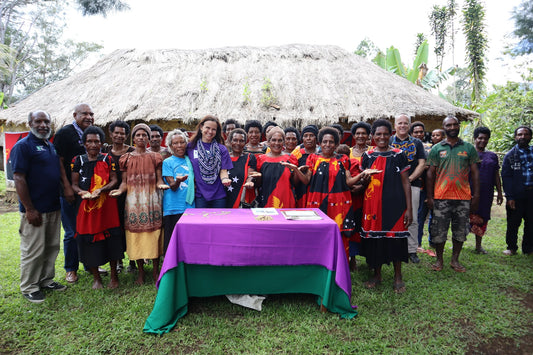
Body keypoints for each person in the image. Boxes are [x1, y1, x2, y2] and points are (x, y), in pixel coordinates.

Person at [11, 111, 67, 303]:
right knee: (33, 249)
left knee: (51, 247)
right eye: (38, 121)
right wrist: (29, 208)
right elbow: (19, 177)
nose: (43, 125)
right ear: (29, 123)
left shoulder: (48, 145)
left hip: (53, 206)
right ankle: (29, 286)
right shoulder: (23, 146)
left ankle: (45, 279)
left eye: (46, 121)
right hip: (35, 209)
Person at [111, 123, 168, 285]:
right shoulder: (126, 158)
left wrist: (162, 185)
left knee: (155, 234)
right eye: (138, 135)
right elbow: (124, 183)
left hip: (152, 200)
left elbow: (158, 180)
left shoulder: (156, 157)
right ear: (133, 138)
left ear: (149, 138)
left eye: (144, 135)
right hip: (134, 201)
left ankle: (156, 270)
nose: (141, 138)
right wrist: (119, 191)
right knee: (135, 236)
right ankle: (141, 273)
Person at [360, 119, 412, 294]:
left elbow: (406, 182)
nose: (381, 137)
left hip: (395, 204)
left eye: (385, 134)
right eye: (378, 134)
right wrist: (364, 179)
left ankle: (398, 276)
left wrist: (409, 209)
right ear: (372, 136)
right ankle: (377, 274)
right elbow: (363, 182)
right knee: (375, 240)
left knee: (396, 239)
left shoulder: (399, 155)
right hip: (372, 204)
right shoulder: (367, 156)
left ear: (390, 135)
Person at [301, 127, 368, 260]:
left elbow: (349, 182)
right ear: (319, 143)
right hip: (317, 202)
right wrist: (295, 170)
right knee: (318, 233)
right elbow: (306, 180)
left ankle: (340, 268)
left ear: (337, 144)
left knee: (340, 234)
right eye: (324, 142)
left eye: (331, 142)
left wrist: (362, 175)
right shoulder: (312, 158)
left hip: (340, 204)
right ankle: (320, 265)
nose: (327, 144)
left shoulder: (343, 159)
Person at [53, 103, 102, 283]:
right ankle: (71, 268)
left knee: (89, 228)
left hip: (89, 193)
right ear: (75, 115)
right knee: (72, 231)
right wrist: (66, 187)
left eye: (91, 113)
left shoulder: (92, 134)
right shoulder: (65, 133)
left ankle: (90, 264)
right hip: (70, 191)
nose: (89, 117)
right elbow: (58, 161)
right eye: (84, 114)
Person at [71, 126, 123, 289]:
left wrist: (101, 189)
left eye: (97, 141)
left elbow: (114, 180)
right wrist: (82, 192)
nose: (93, 144)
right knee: (88, 241)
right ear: (84, 143)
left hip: (107, 206)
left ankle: (114, 277)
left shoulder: (107, 159)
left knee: (112, 240)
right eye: (90, 141)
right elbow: (74, 184)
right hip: (86, 207)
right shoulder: (77, 161)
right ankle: (96, 278)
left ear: (102, 143)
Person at [426, 116, 480, 273]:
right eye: (448, 125)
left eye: (455, 124)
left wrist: (476, 196)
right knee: (439, 231)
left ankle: (455, 260)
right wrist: (430, 197)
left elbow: (475, 173)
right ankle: (439, 260)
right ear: (444, 127)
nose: (452, 127)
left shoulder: (469, 148)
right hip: (441, 197)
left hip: (463, 198)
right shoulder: (437, 149)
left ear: (459, 126)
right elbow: (430, 174)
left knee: (460, 231)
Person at [390, 114, 426, 264]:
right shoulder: (389, 140)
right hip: (391, 186)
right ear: (395, 125)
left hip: (413, 185)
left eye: (406, 123)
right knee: (393, 216)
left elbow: (422, 163)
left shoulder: (416, 143)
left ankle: (411, 250)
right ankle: (392, 247)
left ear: (409, 125)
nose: (403, 126)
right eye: (400, 123)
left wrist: (409, 179)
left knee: (413, 218)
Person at [102, 120, 136, 273]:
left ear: (126, 135)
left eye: (122, 133)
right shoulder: (105, 153)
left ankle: (134, 261)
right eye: (116, 132)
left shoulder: (133, 152)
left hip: (131, 196)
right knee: (115, 229)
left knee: (131, 227)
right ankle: (118, 261)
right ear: (110, 134)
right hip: (110, 196)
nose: (119, 135)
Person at [469, 127, 503, 254]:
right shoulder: (468, 153)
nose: (482, 141)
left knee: (482, 217)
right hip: (468, 191)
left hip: (486, 193)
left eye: (485, 138)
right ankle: (459, 243)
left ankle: (478, 246)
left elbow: (496, 175)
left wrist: (499, 192)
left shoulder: (492, 156)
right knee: (463, 217)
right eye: (480, 138)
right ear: (475, 139)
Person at [187, 115, 233, 207]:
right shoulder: (190, 147)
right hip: (200, 195)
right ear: (201, 127)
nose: (210, 132)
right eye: (207, 128)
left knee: (219, 221)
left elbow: (223, 171)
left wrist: (225, 179)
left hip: (219, 195)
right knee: (202, 221)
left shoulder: (222, 149)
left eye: (214, 129)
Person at [501, 125, 533, 256]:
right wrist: (510, 197)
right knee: (513, 222)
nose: (523, 137)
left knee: (531, 222)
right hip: (516, 195)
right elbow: (506, 177)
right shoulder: (510, 156)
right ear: (515, 137)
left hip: (532, 194)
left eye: (526, 134)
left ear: (530, 137)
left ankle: (529, 248)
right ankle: (511, 247)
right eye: (520, 134)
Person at [162, 129, 195, 254]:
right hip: (173, 207)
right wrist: (178, 181)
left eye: (182, 142)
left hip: (189, 206)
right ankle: (170, 269)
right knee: (171, 242)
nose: (179, 145)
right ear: (170, 146)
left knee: (188, 241)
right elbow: (172, 186)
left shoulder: (190, 161)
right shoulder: (167, 162)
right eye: (175, 143)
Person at [257, 127, 301, 208]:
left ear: (283, 142)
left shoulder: (291, 158)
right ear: (268, 142)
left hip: (286, 200)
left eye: (280, 140)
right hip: (266, 200)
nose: (276, 143)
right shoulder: (261, 159)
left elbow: (295, 183)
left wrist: (296, 170)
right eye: (274, 140)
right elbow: (259, 184)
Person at [225, 128, 259, 208]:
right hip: (225, 197)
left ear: (245, 142)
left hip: (242, 200)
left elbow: (250, 175)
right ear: (230, 142)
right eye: (235, 140)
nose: (238, 143)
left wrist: (249, 182)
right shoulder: (225, 157)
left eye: (241, 141)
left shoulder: (250, 157)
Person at [291, 125, 320, 207]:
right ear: (302, 138)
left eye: (311, 135)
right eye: (305, 136)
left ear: (316, 138)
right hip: (301, 191)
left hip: (318, 190)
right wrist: (298, 171)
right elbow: (293, 181)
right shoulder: (296, 154)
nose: (308, 138)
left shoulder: (322, 153)